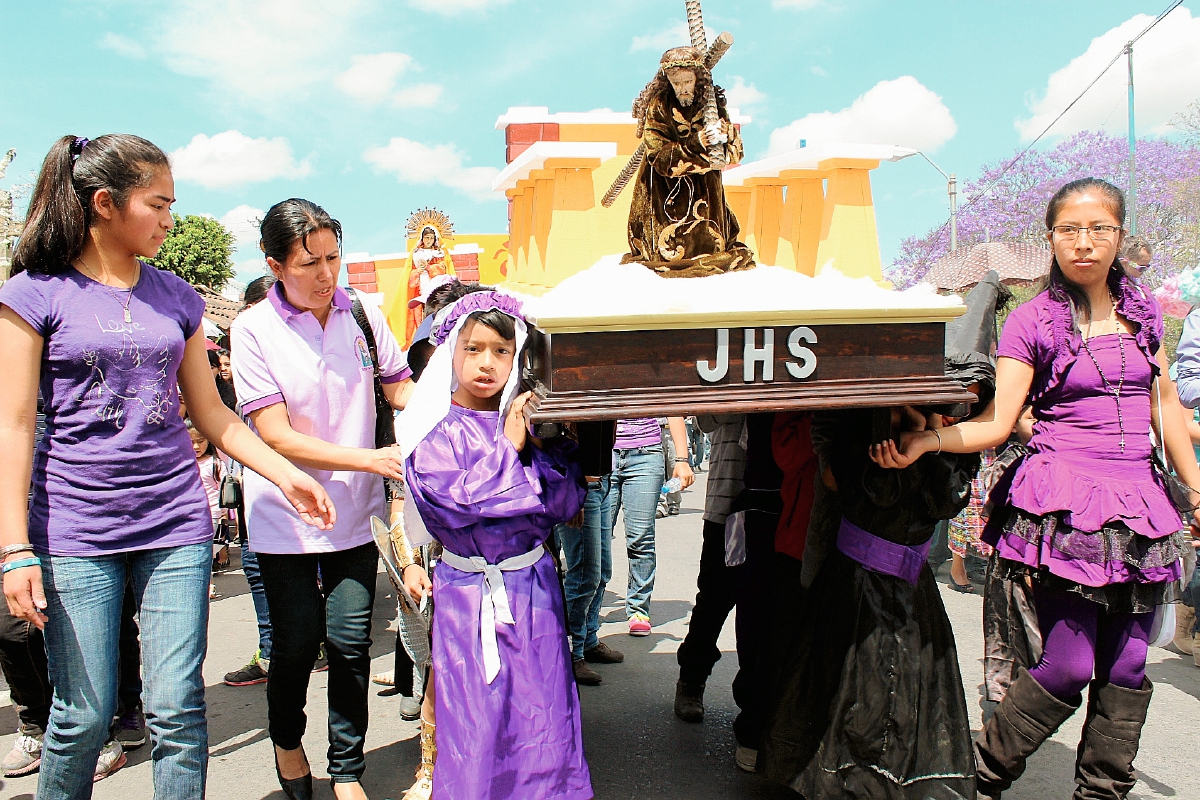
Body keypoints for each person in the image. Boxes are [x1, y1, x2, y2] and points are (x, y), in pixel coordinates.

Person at [0, 134, 334, 800]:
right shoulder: (32, 294)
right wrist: (14, 548)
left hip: (176, 524)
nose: (170, 219)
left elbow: (213, 415)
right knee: (83, 717)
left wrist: (283, 470)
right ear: (104, 204)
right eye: (158, 204)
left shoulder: (177, 298)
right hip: (73, 529)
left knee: (178, 709)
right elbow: (11, 425)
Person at [872, 178, 1196, 800]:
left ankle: (1101, 792)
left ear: (1119, 236)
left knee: (1128, 667)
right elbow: (998, 422)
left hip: (1141, 507)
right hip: (1065, 508)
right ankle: (977, 779)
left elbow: (1165, 403)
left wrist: (1198, 487)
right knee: (1070, 665)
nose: (1084, 243)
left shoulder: (1143, 313)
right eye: (1069, 230)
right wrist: (926, 442)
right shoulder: (1032, 320)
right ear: (1051, 237)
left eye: (1099, 229)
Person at [230, 198, 412, 800]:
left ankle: (346, 769)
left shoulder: (361, 313)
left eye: (334, 257)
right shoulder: (254, 329)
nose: (326, 274)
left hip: (354, 516)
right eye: (309, 263)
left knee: (351, 640)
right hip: (284, 512)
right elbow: (275, 433)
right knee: (298, 642)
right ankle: (286, 740)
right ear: (275, 264)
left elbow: (402, 391)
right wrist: (369, 459)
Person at [398, 283, 592, 799]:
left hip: (533, 586)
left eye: (501, 351)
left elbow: (562, 499)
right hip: (467, 593)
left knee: (544, 711)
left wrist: (548, 437)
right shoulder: (434, 431)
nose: (487, 363)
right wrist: (510, 447)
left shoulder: (532, 424)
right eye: (474, 349)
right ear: (451, 354)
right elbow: (456, 503)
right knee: (477, 717)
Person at [624, 46, 752, 274]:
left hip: (706, 194)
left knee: (711, 246)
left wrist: (725, 135)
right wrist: (698, 142)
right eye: (676, 83)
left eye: (687, 82)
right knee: (670, 253)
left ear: (697, 79)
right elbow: (659, 157)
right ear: (668, 82)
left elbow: (732, 154)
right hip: (666, 194)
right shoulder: (659, 106)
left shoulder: (711, 103)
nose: (682, 89)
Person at [224, 275, 280, 688]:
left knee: (261, 566)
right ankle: (274, 647)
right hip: (252, 479)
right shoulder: (249, 347)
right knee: (254, 565)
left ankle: (277, 650)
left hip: (281, 481)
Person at [403, 225, 455, 347]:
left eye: (431, 238)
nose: (428, 241)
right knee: (420, 316)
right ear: (422, 238)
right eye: (426, 238)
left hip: (435, 289)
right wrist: (418, 272)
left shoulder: (439, 253)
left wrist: (429, 267)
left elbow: (442, 269)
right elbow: (409, 276)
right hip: (421, 289)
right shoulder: (416, 253)